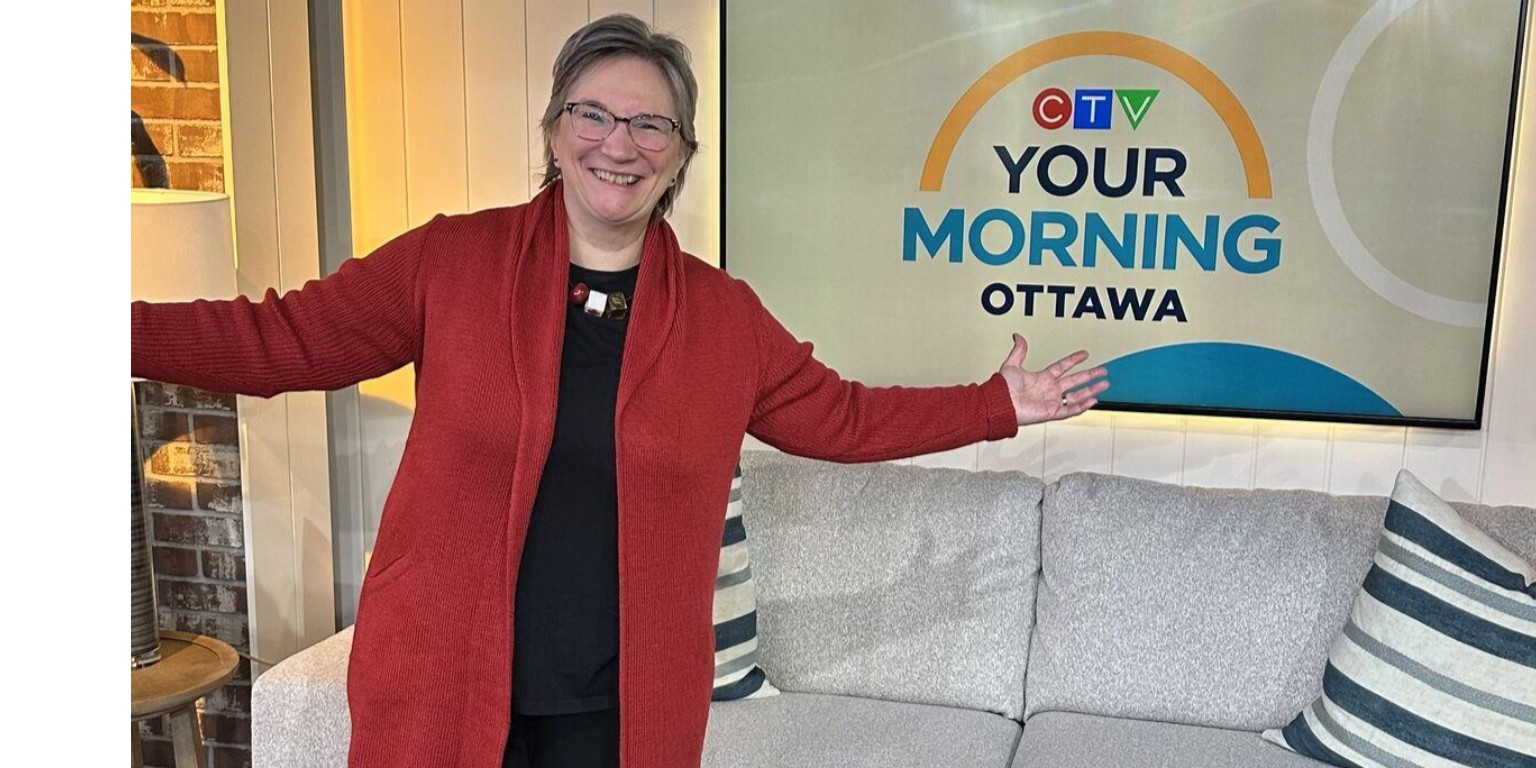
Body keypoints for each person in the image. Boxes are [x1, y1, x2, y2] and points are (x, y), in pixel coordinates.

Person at [130, 14, 1108, 768]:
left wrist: (995, 404)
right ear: (555, 130)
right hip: (442, 683)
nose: (619, 142)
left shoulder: (723, 319)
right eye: (593, 114)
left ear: (679, 154)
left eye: (650, 124)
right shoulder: (453, 263)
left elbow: (841, 416)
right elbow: (279, 336)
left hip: (619, 708)